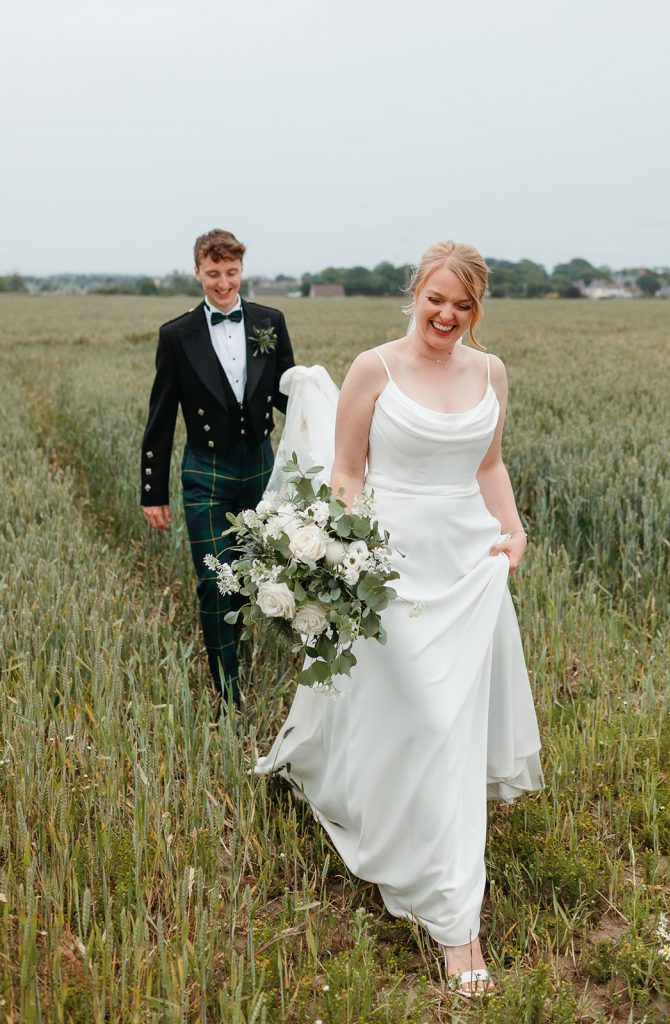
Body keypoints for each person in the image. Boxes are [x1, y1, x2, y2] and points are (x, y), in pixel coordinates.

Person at [256, 241, 542, 997]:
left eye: (464, 305)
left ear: (477, 310)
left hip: (470, 566)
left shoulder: (492, 373)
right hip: (392, 570)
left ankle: (454, 912)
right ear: (415, 294)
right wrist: (351, 563)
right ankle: (456, 923)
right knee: (417, 715)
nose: (447, 315)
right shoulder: (372, 369)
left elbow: (488, 465)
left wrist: (514, 533)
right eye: (436, 299)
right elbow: (347, 474)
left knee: (450, 726)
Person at [140, 229, 295, 706]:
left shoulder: (271, 320)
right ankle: (229, 691)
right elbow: (162, 416)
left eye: (230, 273)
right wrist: (153, 491)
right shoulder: (177, 334)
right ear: (197, 273)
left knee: (262, 576)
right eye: (213, 274)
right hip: (206, 472)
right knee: (215, 580)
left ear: (241, 271)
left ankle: (263, 653)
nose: (223, 283)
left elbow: (290, 394)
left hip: (261, 467)